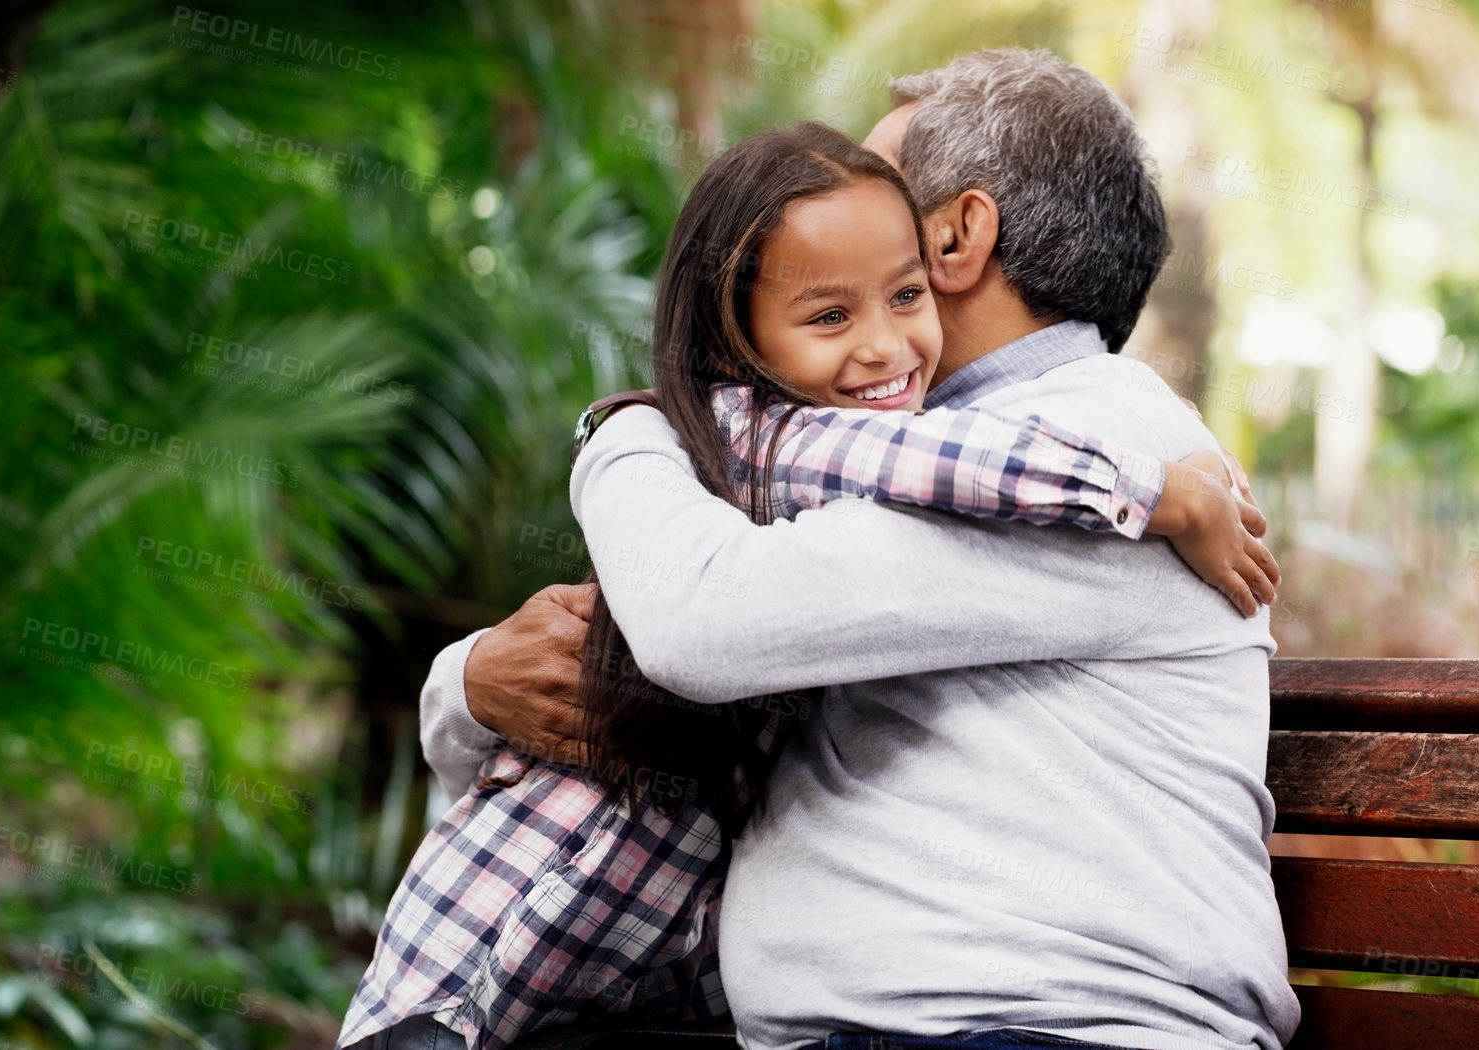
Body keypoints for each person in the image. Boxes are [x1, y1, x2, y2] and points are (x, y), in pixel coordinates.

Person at [338, 115, 1275, 1050]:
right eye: (829, 310)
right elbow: (620, 660)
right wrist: (465, 681)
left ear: (951, 237)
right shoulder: (854, 444)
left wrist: (620, 434)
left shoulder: (1076, 444)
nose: (879, 339)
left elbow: (697, 622)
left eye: (898, 263)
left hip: (1023, 1029)